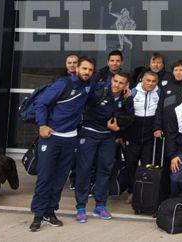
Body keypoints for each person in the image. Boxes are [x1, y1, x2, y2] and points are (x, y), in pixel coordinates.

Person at [29, 57, 97, 232]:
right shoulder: (62, 84)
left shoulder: (89, 86)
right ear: (77, 68)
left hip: (70, 139)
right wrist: (42, 125)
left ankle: (50, 212)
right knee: (45, 177)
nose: (87, 72)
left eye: (90, 70)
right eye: (84, 68)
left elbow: (108, 91)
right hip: (51, 136)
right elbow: (41, 103)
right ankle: (38, 215)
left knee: (60, 179)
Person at [74, 71, 133, 223]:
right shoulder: (99, 92)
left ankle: (100, 205)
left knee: (105, 170)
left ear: (126, 85)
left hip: (108, 137)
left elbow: (129, 118)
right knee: (85, 169)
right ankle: (81, 207)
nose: (117, 85)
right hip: (89, 134)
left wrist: (117, 129)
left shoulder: (126, 98)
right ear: (111, 80)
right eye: (115, 81)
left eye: (121, 83)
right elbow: (82, 105)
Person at [124, 71, 162, 203]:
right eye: (148, 80)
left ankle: (143, 192)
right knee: (131, 165)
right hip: (133, 134)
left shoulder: (159, 93)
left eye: (153, 81)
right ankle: (132, 191)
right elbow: (125, 113)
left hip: (149, 135)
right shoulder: (132, 92)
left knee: (147, 165)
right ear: (142, 80)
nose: (150, 83)